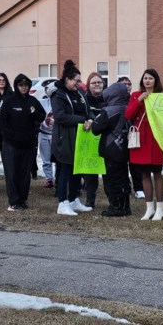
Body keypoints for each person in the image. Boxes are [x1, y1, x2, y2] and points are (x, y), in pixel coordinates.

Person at [51, 60, 94, 216]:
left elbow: (87, 111)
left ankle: (74, 199)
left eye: (79, 80)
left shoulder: (80, 94)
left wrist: (90, 119)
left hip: (80, 137)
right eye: (76, 80)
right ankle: (62, 203)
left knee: (77, 169)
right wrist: (82, 120)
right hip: (64, 139)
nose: (79, 83)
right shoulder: (58, 95)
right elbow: (60, 116)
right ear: (67, 80)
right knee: (65, 170)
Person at [0, 73, 45, 211]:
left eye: (26, 85)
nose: (24, 88)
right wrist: (10, 136)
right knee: (12, 173)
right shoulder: (9, 101)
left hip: (28, 144)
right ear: (16, 86)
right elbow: (3, 122)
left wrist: (34, 115)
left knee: (24, 174)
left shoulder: (33, 101)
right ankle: (13, 201)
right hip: (11, 144)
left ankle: (22, 200)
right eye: (21, 85)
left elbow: (41, 116)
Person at [125, 68, 163, 221]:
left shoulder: (161, 97)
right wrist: (139, 100)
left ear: (156, 81)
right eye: (145, 78)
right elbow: (128, 114)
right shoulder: (135, 95)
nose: (147, 81)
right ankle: (149, 208)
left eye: (150, 78)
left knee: (157, 173)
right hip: (140, 140)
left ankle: (160, 209)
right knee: (144, 174)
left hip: (156, 139)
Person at [90, 82, 132, 217]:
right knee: (123, 178)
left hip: (111, 149)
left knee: (111, 179)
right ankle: (125, 206)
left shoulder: (108, 111)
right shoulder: (128, 108)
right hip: (124, 149)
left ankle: (116, 207)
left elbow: (95, 129)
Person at [117, 76, 143, 205]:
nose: (127, 86)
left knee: (135, 163)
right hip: (118, 136)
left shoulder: (133, 98)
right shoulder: (114, 99)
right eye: (123, 84)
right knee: (122, 164)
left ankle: (139, 188)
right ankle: (125, 186)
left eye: (129, 83)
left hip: (133, 134)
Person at [81, 72, 106, 207]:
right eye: (94, 82)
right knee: (90, 173)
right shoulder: (84, 100)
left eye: (99, 82)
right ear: (88, 85)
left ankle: (113, 200)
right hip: (89, 139)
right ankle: (90, 200)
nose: (97, 85)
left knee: (108, 171)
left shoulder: (107, 98)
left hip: (106, 139)